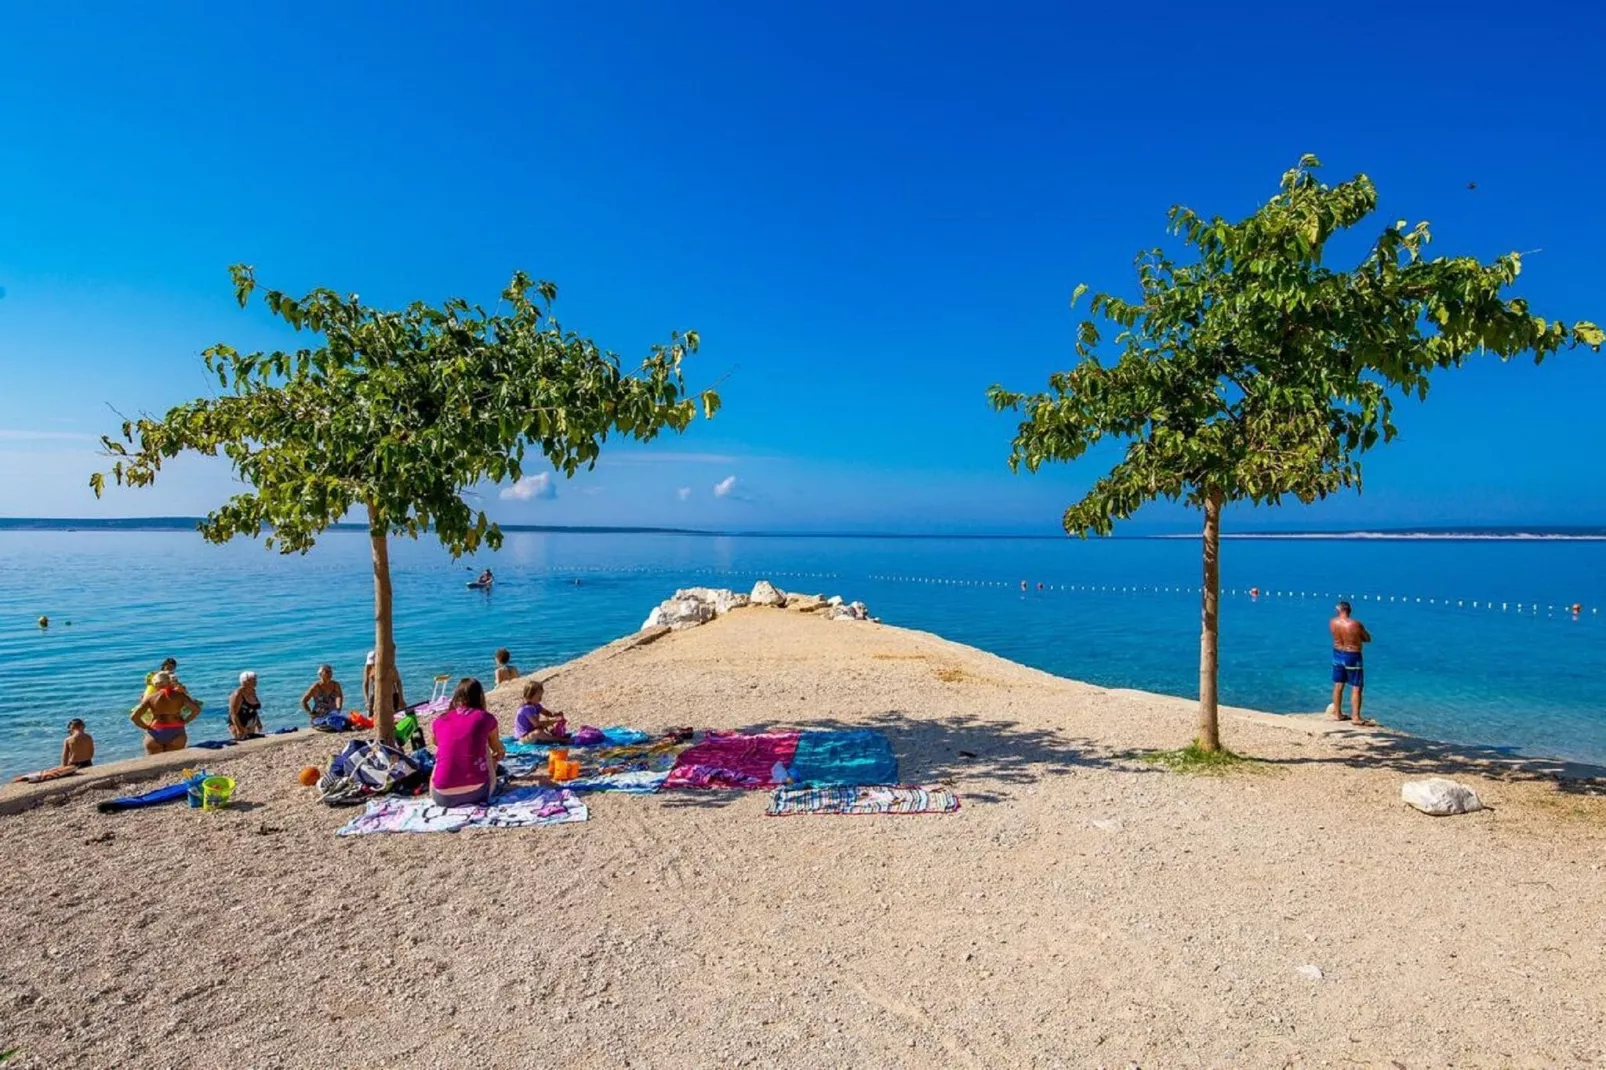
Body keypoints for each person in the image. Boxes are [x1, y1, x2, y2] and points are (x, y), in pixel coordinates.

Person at [429, 678, 505, 807]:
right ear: (480, 697)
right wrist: (499, 754)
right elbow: (497, 748)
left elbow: (436, 742)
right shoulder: (485, 717)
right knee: (484, 747)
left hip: (441, 797)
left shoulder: (439, 721)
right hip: (478, 793)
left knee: (441, 751)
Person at [131, 671, 202, 754]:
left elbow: (134, 716)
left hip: (155, 732)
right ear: (169, 682)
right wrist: (186, 720)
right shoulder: (180, 696)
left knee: (155, 763)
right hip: (176, 732)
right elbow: (196, 710)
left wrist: (146, 727)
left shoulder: (150, 698)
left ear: (155, 684)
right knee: (175, 762)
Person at [1329, 601, 1375, 725]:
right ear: (1349, 610)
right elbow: (1367, 638)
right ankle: (1355, 717)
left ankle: (1337, 714)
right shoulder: (1355, 624)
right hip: (1352, 655)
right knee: (1356, 686)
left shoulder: (1332, 622)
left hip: (1337, 653)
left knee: (1338, 684)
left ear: (1338, 609)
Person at [229, 671, 265, 739]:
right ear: (245, 681)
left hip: (251, 722)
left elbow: (253, 709)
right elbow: (233, 714)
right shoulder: (238, 694)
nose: (255, 681)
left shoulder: (253, 691)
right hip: (239, 724)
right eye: (253, 679)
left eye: (255, 679)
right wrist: (240, 729)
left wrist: (258, 723)